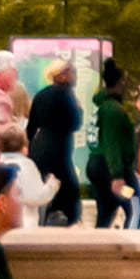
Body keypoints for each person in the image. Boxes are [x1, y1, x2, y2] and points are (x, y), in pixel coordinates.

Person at [27, 64, 85, 229]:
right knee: (68, 190)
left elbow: (31, 126)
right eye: (72, 72)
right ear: (62, 74)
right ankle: (64, 222)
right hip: (59, 148)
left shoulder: (41, 94)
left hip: (40, 146)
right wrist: (79, 109)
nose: (75, 76)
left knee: (47, 185)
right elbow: (74, 123)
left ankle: (46, 219)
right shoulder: (66, 95)